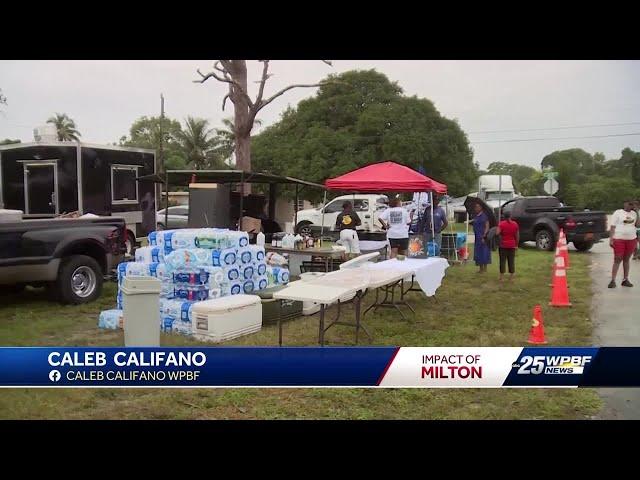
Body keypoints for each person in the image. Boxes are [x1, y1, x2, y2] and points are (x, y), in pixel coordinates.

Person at [609, 199, 640, 288]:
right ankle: (613, 280)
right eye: (628, 204)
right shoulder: (618, 213)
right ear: (624, 204)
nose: (629, 206)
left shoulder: (634, 214)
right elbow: (612, 226)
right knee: (618, 258)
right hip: (619, 238)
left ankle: (625, 279)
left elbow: (637, 225)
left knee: (626, 259)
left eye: (631, 205)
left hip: (631, 238)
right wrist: (611, 239)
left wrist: (637, 212)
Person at [496, 211, 519, 281]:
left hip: (503, 245)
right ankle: (511, 277)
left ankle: (501, 277)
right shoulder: (515, 224)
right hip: (512, 245)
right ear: (510, 216)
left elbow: (497, 233)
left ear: (504, 216)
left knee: (502, 261)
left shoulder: (501, 224)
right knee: (511, 261)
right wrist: (516, 245)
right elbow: (517, 235)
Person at [472, 203, 491, 273]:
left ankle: (485, 268)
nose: (476, 208)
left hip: (483, 237)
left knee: (484, 252)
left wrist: (484, 235)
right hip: (477, 237)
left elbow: (487, 226)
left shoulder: (484, 216)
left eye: (477, 207)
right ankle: (480, 268)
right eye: (475, 207)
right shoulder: (476, 216)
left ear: (481, 208)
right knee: (478, 253)